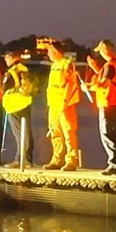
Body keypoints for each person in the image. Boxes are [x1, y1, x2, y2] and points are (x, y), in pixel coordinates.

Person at [84, 40, 116, 175]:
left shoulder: (110, 65)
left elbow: (104, 84)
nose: (100, 54)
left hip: (109, 103)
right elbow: (109, 77)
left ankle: (114, 164)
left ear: (105, 50)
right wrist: (95, 67)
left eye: (101, 51)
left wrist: (88, 87)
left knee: (108, 133)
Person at [44, 40, 82, 171]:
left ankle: (71, 160)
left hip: (64, 103)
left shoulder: (67, 64)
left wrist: (65, 101)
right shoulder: (54, 65)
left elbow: (70, 84)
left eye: (49, 51)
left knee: (68, 131)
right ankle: (57, 159)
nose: (48, 54)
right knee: (55, 132)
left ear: (55, 51)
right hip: (53, 103)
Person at [1, 50, 35, 168]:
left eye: (5, 58)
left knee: (20, 134)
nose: (5, 60)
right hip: (24, 102)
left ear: (10, 57)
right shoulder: (24, 68)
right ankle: (27, 159)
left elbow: (4, 87)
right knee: (26, 132)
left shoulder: (13, 70)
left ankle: (20, 159)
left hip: (15, 105)